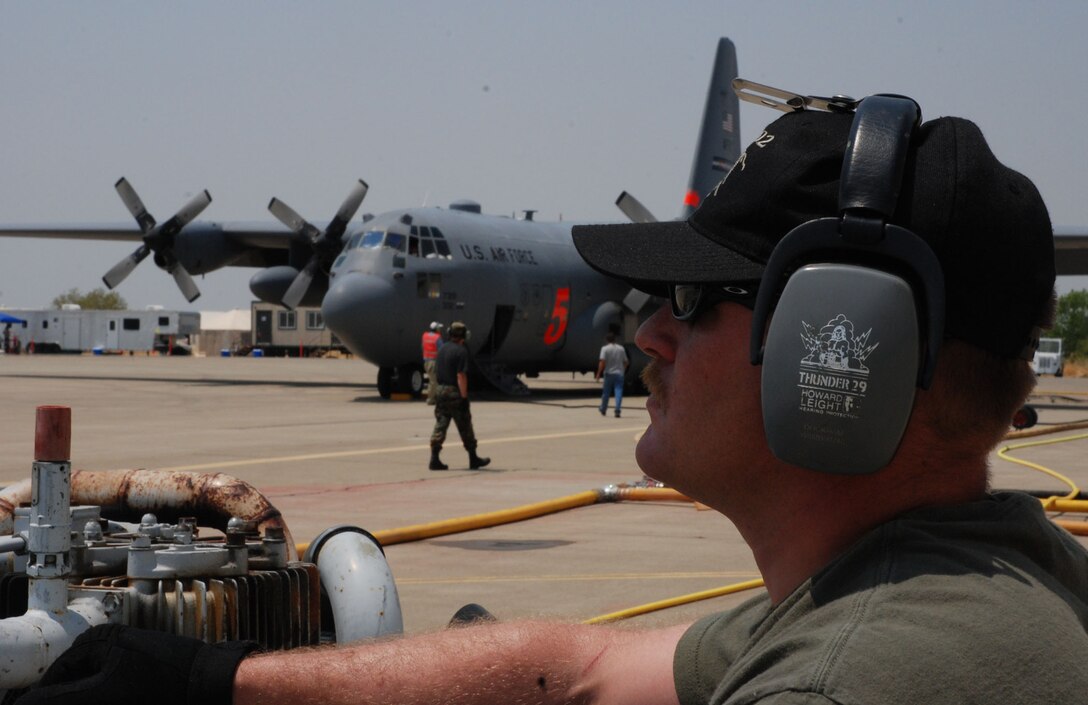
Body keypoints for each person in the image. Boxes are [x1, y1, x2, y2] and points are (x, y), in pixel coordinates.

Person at [17, 97, 1088, 705]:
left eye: (691, 299)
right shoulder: (945, 581)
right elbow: (581, 668)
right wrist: (218, 680)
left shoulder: (850, 683)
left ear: (838, 344)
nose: (648, 329)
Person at [427, 321, 490, 471]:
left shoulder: (442, 349)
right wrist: (463, 397)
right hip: (453, 392)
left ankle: (434, 459)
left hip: (440, 391)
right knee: (465, 425)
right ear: (463, 335)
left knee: (440, 424)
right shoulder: (461, 351)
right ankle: (473, 458)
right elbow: (461, 375)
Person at [595, 331, 629, 417]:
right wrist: (622, 370)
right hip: (619, 373)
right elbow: (626, 362)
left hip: (609, 373)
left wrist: (599, 373)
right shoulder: (621, 348)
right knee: (618, 392)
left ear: (607, 340)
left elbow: (602, 362)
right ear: (615, 339)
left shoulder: (605, 349)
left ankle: (603, 408)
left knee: (606, 392)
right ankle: (617, 409)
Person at [421, 321, 444, 405]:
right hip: (433, 362)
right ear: (436, 329)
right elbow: (442, 350)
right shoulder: (437, 338)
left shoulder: (425, 336)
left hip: (426, 361)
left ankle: (435, 397)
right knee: (433, 381)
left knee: (433, 380)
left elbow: (423, 347)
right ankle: (431, 399)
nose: (440, 330)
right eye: (439, 328)